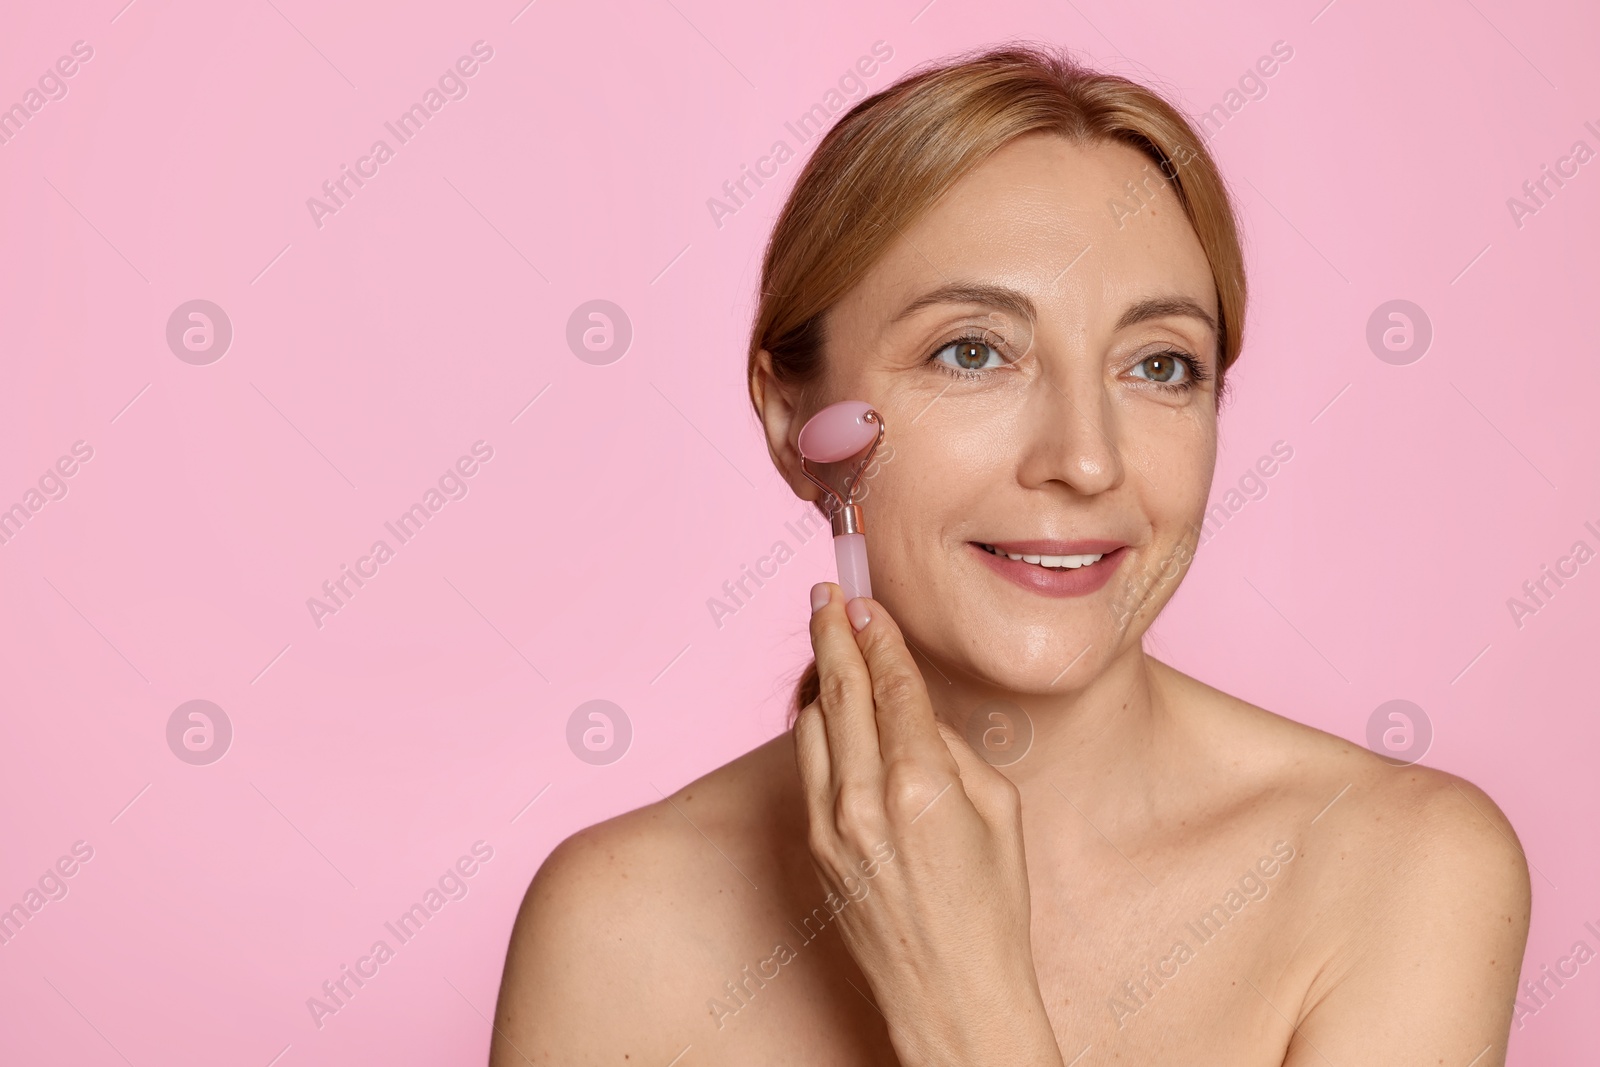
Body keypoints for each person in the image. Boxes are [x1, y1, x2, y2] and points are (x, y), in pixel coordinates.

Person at [490, 43, 1531, 1066]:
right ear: (788, 416)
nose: (1083, 459)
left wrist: (970, 1007)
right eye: (972, 351)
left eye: (1158, 364)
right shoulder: (615, 928)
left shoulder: (1399, 869)